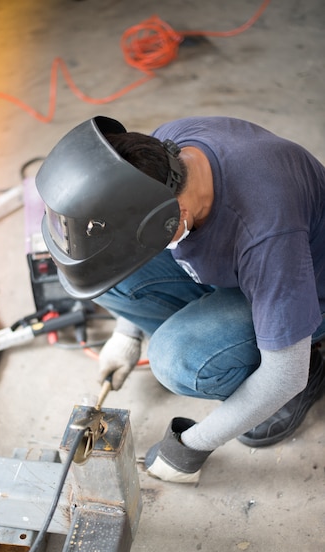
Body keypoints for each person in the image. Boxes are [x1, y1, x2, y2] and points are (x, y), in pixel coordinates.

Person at [35, 115, 325, 483]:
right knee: (99, 273)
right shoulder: (163, 155)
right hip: (244, 269)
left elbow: (286, 375)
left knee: (177, 359)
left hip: (305, 288)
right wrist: (126, 333)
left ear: (178, 216)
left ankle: (312, 360)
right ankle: (221, 338)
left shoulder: (266, 233)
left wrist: (190, 446)